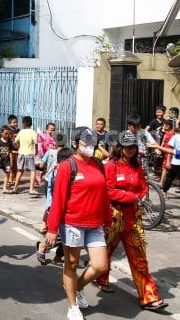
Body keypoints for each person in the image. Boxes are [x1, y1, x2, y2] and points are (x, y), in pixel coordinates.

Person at [92, 130, 168, 311]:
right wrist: (129, 197)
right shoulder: (111, 166)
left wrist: (137, 198)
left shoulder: (137, 167)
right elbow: (108, 191)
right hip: (113, 217)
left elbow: (143, 188)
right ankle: (101, 278)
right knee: (107, 251)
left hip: (134, 218)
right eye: (127, 147)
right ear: (120, 148)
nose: (131, 150)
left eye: (133, 146)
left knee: (140, 258)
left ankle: (149, 297)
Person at [45, 127, 111, 320]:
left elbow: (104, 195)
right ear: (75, 143)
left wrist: (107, 220)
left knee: (100, 266)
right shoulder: (68, 166)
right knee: (72, 263)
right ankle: (72, 306)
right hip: (72, 222)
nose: (89, 147)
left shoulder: (98, 164)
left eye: (92, 143)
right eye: (85, 143)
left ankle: (77, 288)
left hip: (95, 223)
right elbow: (58, 199)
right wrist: (52, 228)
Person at [36, 146, 73, 266]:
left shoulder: (67, 171)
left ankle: (57, 257)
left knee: (68, 236)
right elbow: (53, 192)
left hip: (69, 208)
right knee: (63, 234)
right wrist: (50, 208)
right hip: (57, 207)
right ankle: (44, 246)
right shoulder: (57, 172)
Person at [38, 132, 67, 233]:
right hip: (63, 181)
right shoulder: (69, 154)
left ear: (54, 142)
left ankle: (44, 224)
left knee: (50, 204)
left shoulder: (50, 152)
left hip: (50, 180)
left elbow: (41, 166)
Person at [13, 116, 38, 195]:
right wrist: (36, 150)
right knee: (33, 171)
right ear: (31, 123)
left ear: (23, 124)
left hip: (21, 153)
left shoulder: (21, 132)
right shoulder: (33, 132)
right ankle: (31, 189)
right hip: (29, 153)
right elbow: (36, 142)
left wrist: (18, 147)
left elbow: (15, 142)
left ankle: (15, 188)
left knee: (20, 170)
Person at [0, 125, 16, 194]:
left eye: (8, 134)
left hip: (7, 162)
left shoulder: (9, 142)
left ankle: (4, 188)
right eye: (5, 134)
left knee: (8, 173)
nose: (7, 135)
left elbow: (12, 150)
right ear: (1, 133)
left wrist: (19, 152)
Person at [158, 119, 174, 189]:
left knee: (165, 168)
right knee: (164, 168)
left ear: (168, 126)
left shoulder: (172, 134)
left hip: (168, 153)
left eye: (164, 125)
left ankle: (161, 183)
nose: (163, 126)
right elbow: (163, 142)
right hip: (165, 152)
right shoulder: (167, 133)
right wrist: (160, 148)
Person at [7, 114, 20, 184]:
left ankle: (14, 177)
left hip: (17, 150)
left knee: (16, 165)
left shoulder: (18, 131)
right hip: (10, 151)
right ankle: (9, 177)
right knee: (10, 164)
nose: (15, 124)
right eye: (14, 122)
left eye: (16, 122)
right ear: (9, 123)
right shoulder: (8, 131)